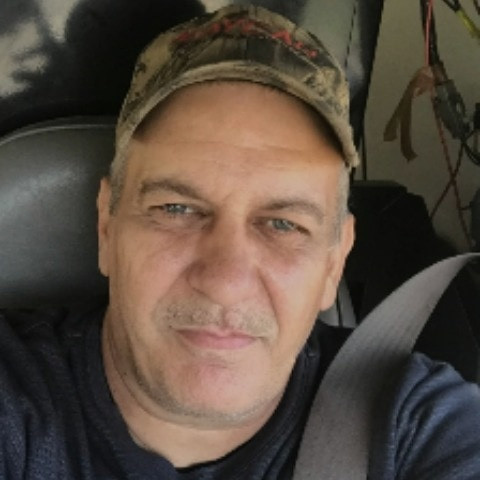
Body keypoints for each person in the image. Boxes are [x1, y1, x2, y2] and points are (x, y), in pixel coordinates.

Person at [1, 5, 480, 479]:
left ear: (335, 261)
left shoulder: (415, 426)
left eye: (283, 224)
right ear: (107, 226)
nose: (225, 282)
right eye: (177, 209)